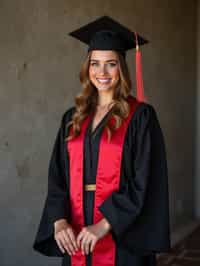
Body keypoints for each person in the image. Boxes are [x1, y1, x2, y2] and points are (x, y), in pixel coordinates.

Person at [33, 16, 171, 266]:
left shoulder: (140, 117)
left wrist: (104, 225)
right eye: (95, 64)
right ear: (87, 68)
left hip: (122, 235)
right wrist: (59, 220)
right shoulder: (72, 117)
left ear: (122, 67)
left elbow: (145, 180)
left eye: (111, 64)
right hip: (76, 233)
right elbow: (57, 177)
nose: (102, 72)